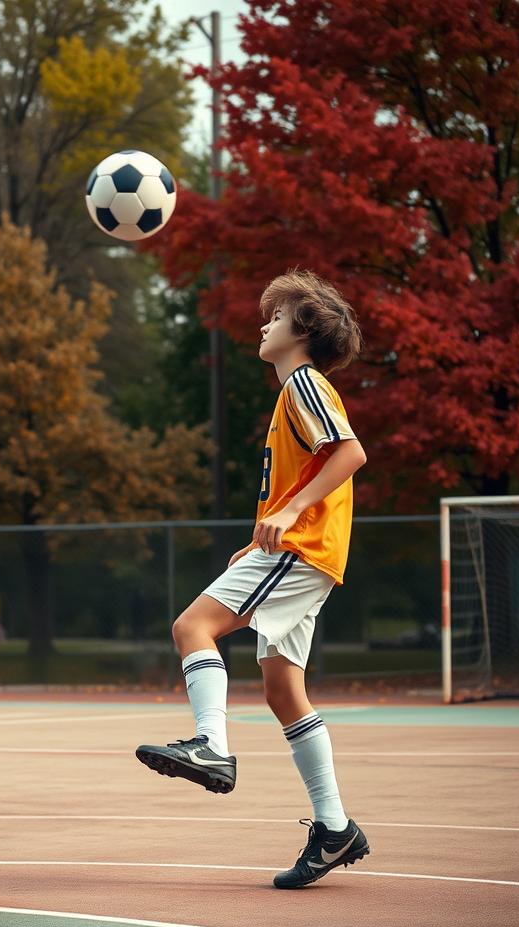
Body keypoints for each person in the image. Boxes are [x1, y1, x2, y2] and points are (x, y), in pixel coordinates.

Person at [136, 270, 370, 889]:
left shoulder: (304, 384)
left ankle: (211, 743)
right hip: (306, 550)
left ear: (305, 330)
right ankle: (335, 828)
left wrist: (290, 515)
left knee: (192, 626)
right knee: (283, 692)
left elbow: (349, 454)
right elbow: (308, 473)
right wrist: (264, 527)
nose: (263, 323)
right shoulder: (292, 392)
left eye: (277, 315)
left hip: (304, 546)